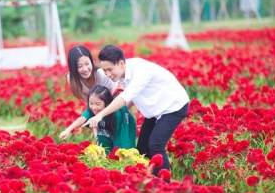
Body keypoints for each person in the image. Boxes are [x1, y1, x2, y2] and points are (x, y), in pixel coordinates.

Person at [83, 44, 189, 178]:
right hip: (155, 110)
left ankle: (165, 185)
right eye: (105, 71)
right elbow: (127, 101)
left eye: (110, 70)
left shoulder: (141, 71)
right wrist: (113, 116)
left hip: (173, 106)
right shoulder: (123, 73)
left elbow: (124, 98)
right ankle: (147, 180)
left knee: (156, 145)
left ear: (121, 63)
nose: (108, 74)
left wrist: (101, 115)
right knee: (143, 149)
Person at [59, 85, 136, 154]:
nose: (94, 107)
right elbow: (82, 118)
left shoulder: (117, 114)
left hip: (124, 131)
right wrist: (68, 130)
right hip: (107, 137)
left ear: (106, 103)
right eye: (91, 103)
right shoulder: (92, 110)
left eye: (98, 104)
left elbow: (121, 140)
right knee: (104, 148)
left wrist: (116, 156)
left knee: (123, 152)